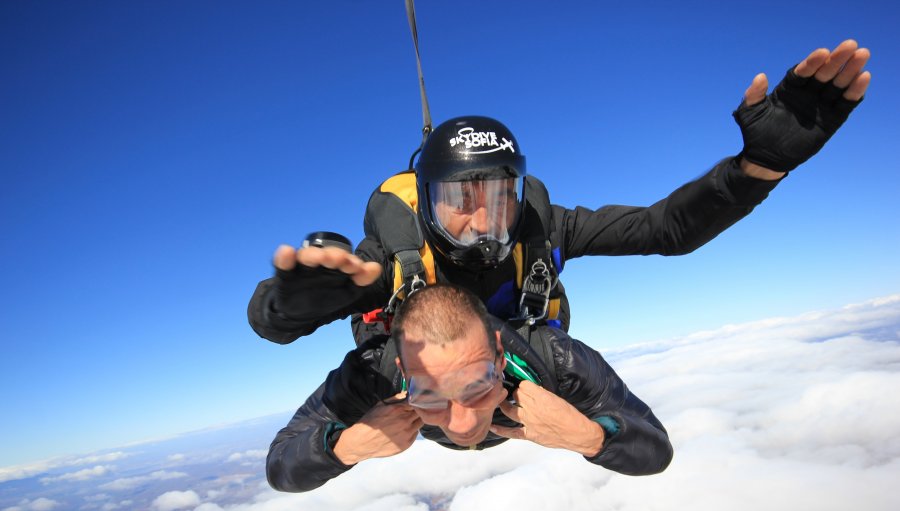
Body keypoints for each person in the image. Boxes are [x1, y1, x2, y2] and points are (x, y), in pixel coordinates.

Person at [248, 40, 871, 347]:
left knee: (554, 357)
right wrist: (295, 304)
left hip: (521, 373)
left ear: (518, 196)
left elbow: (666, 230)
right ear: (426, 205)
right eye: (455, 203)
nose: (477, 221)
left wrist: (756, 167)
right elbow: (270, 324)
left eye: (496, 198)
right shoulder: (394, 258)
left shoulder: (543, 229)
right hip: (430, 393)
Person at [266, 284, 673, 493]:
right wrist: (347, 446)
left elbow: (656, 451)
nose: (459, 425)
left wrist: (590, 437)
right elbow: (281, 467)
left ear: (499, 358)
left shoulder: (554, 360)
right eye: (429, 396)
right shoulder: (373, 375)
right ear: (402, 371)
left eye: (477, 387)